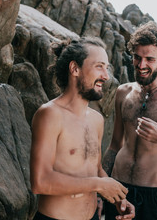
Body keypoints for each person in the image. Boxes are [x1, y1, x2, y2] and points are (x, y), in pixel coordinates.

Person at [30, 37, 135, 220]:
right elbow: (40, 182)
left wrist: (117, 198)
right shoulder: (50, 114)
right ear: (75, 69)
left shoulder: (97, 120)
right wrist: (97, 184)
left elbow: (94, 168)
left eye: (107, 67)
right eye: (99, 66)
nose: (106, 76)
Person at [102, 21, 157, 220]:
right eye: (137, 57)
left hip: (154, 196)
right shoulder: (123, 92)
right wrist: (102, 190)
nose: (141, 65)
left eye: (149, 59)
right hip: (117, 188)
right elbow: (115, 145)